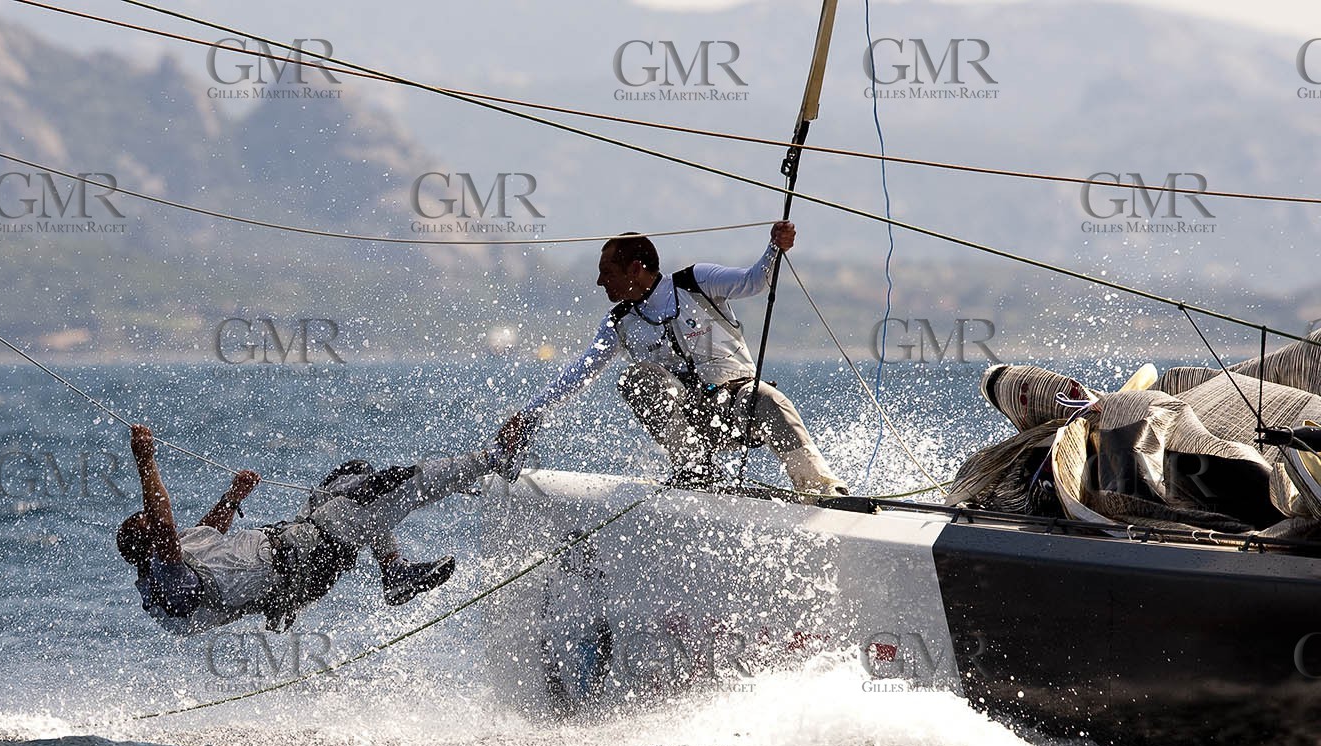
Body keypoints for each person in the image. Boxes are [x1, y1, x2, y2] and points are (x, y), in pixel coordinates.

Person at [497, 221, 846, 493]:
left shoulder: (696, 281)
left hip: (739, 408)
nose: (600, 281)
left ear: (635, 269)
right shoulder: (619, 322)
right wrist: (529, 413)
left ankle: (819, 489)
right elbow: (580, 373)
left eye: (608, 272)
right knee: (635, 379)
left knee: (768, 397)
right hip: (690, 424)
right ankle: (694, 470)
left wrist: (774, 248)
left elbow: (754, 282)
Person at [117, 424, 515, 634]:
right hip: (308, 561)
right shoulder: (170, 587)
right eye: (156, 525)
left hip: (298, 541)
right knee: (388, 487)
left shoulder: (176, 560)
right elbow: (166, 526)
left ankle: (394, 570)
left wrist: (233, 497)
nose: (167, 525)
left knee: (353, 473)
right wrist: (145, 459)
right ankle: (492, 458)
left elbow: (205, 534)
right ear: (153, 543)